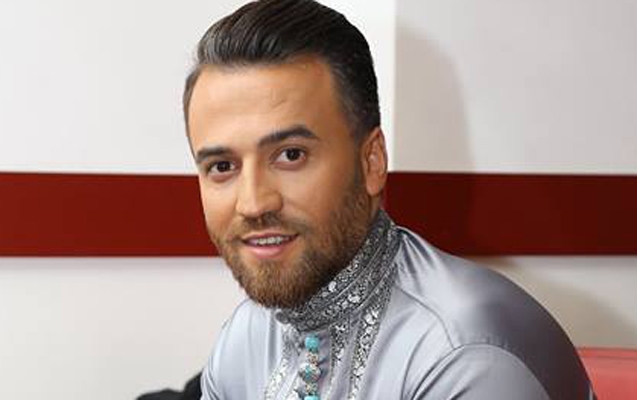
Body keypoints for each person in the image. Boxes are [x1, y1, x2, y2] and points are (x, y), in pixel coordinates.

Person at [182, 0, 596, 398]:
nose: (254, 203)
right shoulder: (246, 338)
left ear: (372, 161)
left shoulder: (463, 355)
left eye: (291, 155)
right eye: (222, 166)